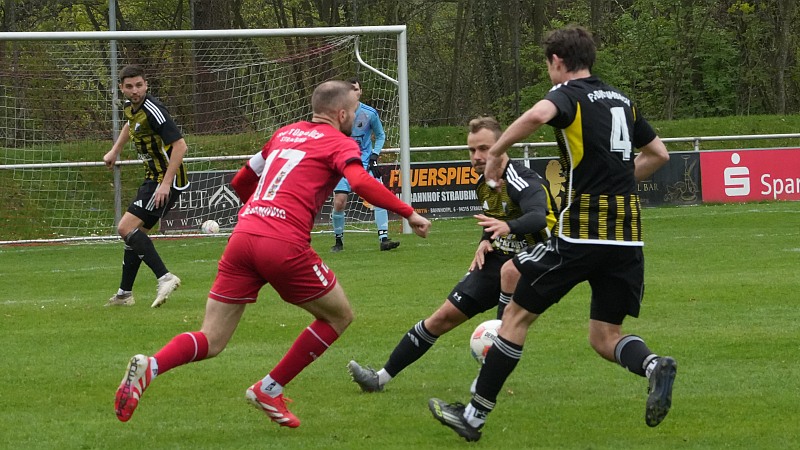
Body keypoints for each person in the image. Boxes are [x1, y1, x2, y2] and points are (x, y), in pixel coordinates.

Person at [113, 80, 431, 428]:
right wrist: (409, 213)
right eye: (354, 112)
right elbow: (360, 181)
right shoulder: (340, 142)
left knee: (212, 338)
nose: (355, 118)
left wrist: (260, 212)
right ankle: (269, 388)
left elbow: (241, 180)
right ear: (341, 114)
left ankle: (152, 365)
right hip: (283, 243)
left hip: (243, 236)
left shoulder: (284, 133)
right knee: (338, 317)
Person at [428, 25, 676, 442]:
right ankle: (654, 365)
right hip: (627, 237)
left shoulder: (567, 94)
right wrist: (617, 183)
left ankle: (473, 416)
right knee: (605, 336)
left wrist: (495, 153)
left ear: (558, 61)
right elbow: (659, 154)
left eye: (548, 64)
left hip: (580, 235)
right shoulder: (622, 100)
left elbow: (535, 116)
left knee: (516, 315)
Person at [347, 116, 557, 392]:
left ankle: (484, 391)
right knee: (441, 318)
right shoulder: (483, 182)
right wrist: (486, 240)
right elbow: (493, 217)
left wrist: (507, 228)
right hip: (497, 259)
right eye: (472, 150)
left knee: (504, 323)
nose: (477, 156)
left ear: (502, 146)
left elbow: (538, 217)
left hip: (536, 261)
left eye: (484, 148)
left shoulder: (522, 180)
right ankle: (378, 379)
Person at [102, 64, 186, 308]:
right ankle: (124, 294)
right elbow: (131, 125)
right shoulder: (131, 108)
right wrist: (115, 150)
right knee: (136, 235)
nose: (135, 90)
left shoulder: (154, 110)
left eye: (139, 85)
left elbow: (180, 146)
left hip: (166, 179)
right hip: (153, 177)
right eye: (129, 86)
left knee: (125, 228)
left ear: (146, 85)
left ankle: (165, 277)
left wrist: (165, 184)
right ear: (122, 88)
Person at [330, 77, 398, 252]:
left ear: (360, 92)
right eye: (350, 89)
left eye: (356, 89)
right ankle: (338, 241)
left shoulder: (369, 113)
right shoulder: (337, 113)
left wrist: (374, 155)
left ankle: (384, 238)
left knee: (379, 197)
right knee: (339, 202)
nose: (353, 92)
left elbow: (380, 135)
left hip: (365, 163)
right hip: (343, 165)